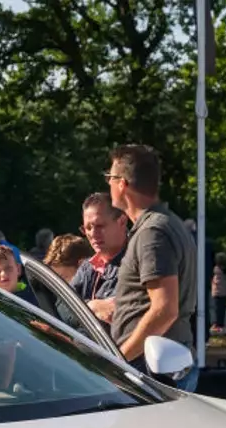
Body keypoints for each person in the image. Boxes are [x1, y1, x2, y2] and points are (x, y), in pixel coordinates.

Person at [105, 144, 199, 392]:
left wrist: (119, 361)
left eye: (110, 178)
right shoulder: (167, 224)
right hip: (157, 366)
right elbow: (149, 300)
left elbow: (165, 309)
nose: (108, 184)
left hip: (152, 374)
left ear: (122, 183)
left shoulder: (152, 232)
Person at [70, 193, 129, 327]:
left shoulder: (135, 265)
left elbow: (110, 320)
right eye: (88, 228)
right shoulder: (87, 267)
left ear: (122, 221)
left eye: (99, 226)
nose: (92, 234)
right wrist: (92, 306)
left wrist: (80, 307)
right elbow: (61, 308)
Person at [211, 252, 226, 333]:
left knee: (218, 309)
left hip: (217, 292)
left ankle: (218, 324)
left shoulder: (215, 269)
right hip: (223, 292)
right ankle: (220, 324)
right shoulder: (225, 270)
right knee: (221, 309)